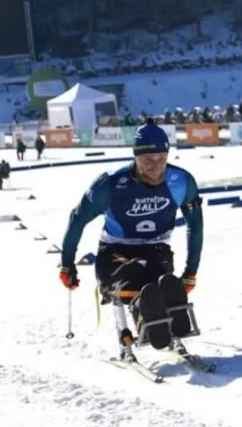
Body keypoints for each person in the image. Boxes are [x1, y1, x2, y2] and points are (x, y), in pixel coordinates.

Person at [57, 121, 204, 359]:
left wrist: (191, 271)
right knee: (135, 277)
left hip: (157, 248)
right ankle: (148, 315)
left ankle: (170, 315)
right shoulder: (110, 184)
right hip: (116, 251)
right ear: (135, 157)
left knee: (161, 276)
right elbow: (77, 218)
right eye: (148, 160)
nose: (156, 166)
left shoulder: (182, 181)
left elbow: (195, 225)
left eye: (161, 158)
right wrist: (67, 263)